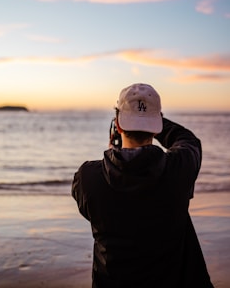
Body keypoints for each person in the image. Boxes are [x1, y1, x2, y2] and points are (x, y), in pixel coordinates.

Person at [72, 83, 214, 288]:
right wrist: (151, 118)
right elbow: (188, 140)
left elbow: (90, 208)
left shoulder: (88, 178)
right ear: (157, 127)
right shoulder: (180, 168)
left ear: (118, 125)